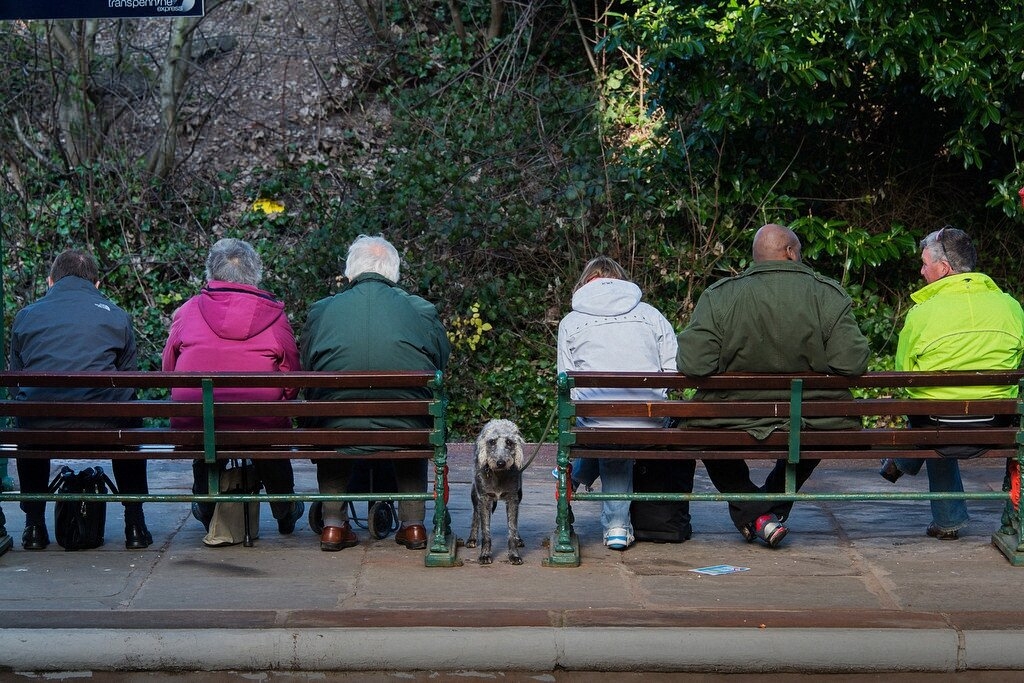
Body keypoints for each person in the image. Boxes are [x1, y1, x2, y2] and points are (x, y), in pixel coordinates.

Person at [677, 224, 870, 547]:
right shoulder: (826, 293)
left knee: (700, 429)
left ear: (756, 257)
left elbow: (694, 364)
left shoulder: (721, 295)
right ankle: (767, 512)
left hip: (732, 415)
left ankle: (757, 514)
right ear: (791, 252)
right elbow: (852, 362)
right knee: (819, 431)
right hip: (815, 416)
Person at [300, 234, 451, 552]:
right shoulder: (420, 310)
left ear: (351, 271)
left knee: (332, 415)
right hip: (406, 426)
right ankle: (413, 526)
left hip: (335, 425)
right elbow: (439, 362)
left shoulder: (322, 311)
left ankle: (332, 526)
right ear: (393, 272)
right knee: (415, 416)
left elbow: (309, 364)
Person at [879, 227, 1024, 540]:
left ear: (943, 269)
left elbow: (903, 373)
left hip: (938, 427)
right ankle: (906, 464)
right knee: (936, 415)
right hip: (996, 425)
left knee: (931, 418)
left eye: (924, 264)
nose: (921, 270)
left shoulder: (921, 314)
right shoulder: (1011, 307)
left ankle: (946, 518)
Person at [162, 238, 305, 537]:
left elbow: (169, 369)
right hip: (260, 421)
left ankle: (205, 502)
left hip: (198, 421)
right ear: (255, 273)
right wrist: (282, 402)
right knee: (268, 429)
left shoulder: (188, 311)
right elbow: (291, 376)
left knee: (207, 427)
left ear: (211, 273)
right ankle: (284, 506)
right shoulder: (275, 316)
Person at [10, 249, 152, 550]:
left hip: (40, 426)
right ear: (97, 284)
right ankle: (135, 524)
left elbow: (16, 386)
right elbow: (129, 383)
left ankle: (34, 526)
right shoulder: (117, 316)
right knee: (131, 423)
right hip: (105, 426)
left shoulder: (26, 316)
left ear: (51, 281)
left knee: (28, 419)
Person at [556, 256, 681, 550]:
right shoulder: (651, 315)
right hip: (650, 419)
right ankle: (612, 520)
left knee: (608, 428)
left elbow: (566, 385)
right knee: (621, 425)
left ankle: (614, 522)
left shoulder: (570, 322)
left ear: (584, 283)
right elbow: (675, 370)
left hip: (597, 421)